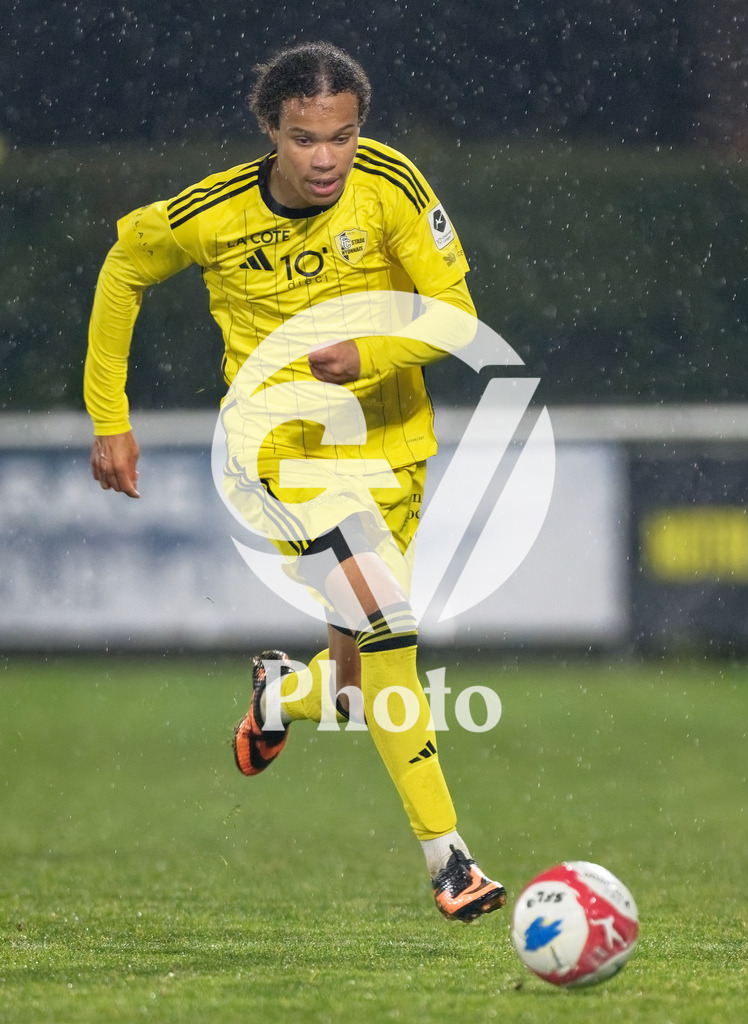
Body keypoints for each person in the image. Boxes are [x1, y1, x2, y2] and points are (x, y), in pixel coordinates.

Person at [84, 41, 506, 922]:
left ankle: (285, 690)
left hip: (392, 448)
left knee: (357, 689)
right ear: (270, 130)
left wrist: (372, 352)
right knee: (391, 627)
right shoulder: (215, 213)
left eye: (343, 137)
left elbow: (457, 320)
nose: (327, 158)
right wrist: (109, 415)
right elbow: (126, 265)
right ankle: (449, 859)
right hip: (284, 459)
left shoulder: (391, 183)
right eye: (306, 139)